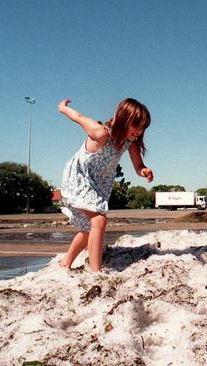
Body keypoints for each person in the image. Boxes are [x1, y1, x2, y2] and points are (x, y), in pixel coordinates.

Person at [58, 98, 154, 272]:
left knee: (89, 229)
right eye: (136, 125)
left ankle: (66, 263)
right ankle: (96, 271)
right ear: (124, 119)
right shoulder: (101, 132)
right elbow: (78, 117)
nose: (139, 131)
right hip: (80, 177)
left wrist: (144, 170)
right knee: (99, 220)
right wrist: (63, 108)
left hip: (99, 183)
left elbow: (138, 165)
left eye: (143, 127)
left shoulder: (129, 142)